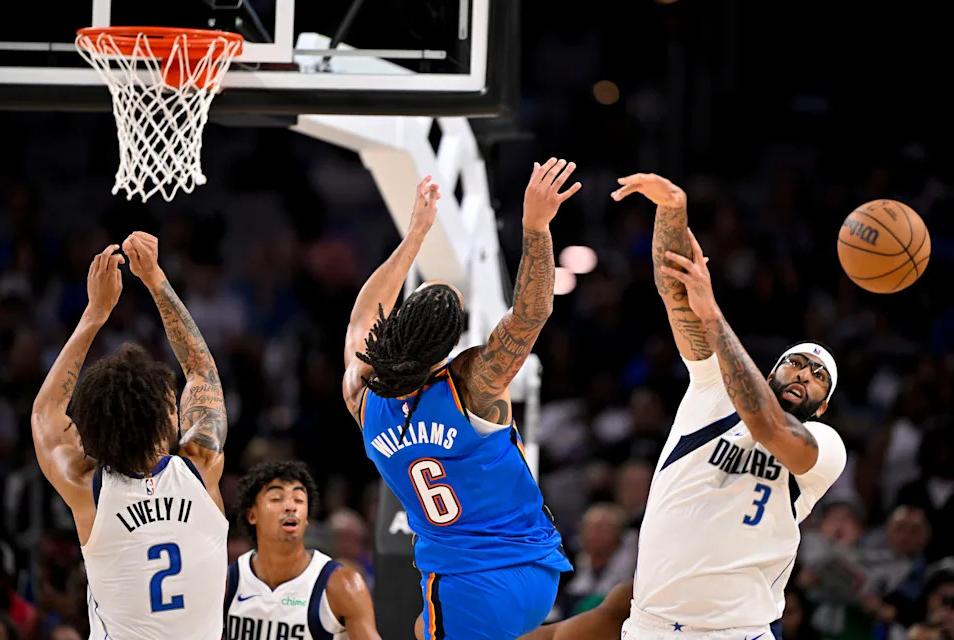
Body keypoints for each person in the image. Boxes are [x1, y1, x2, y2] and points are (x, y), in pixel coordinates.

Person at [341, 161, 581, 640]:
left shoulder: (361, 397)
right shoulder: (472, 382)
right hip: (532, 565)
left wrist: (414, 238)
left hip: (471, 584)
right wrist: (535, 228)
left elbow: (362, 315)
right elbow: (532, 313)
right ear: (449, 349)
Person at [609, 173, 848, 639]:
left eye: (818, 377)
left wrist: (713, 311)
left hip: (738, 631)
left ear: (822, 408)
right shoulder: (713, 387)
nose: (804, 374)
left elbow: (771, 429)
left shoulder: (825, 445)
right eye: (795, 364)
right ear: (769, 372)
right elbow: (677, 294)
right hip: (651, 627)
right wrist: (673, 210)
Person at [30, 233, 229, 640]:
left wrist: (95, 314)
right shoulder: (201, 467)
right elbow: (201, 372)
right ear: (168, 418)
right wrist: (156, 278)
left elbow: (45, 413)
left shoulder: (89, 489)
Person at [224, 461, 380, 640]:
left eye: (299, 500)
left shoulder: (342, 585)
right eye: (277, 498)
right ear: (252, 515)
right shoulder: (227, 583)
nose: (291, 507)